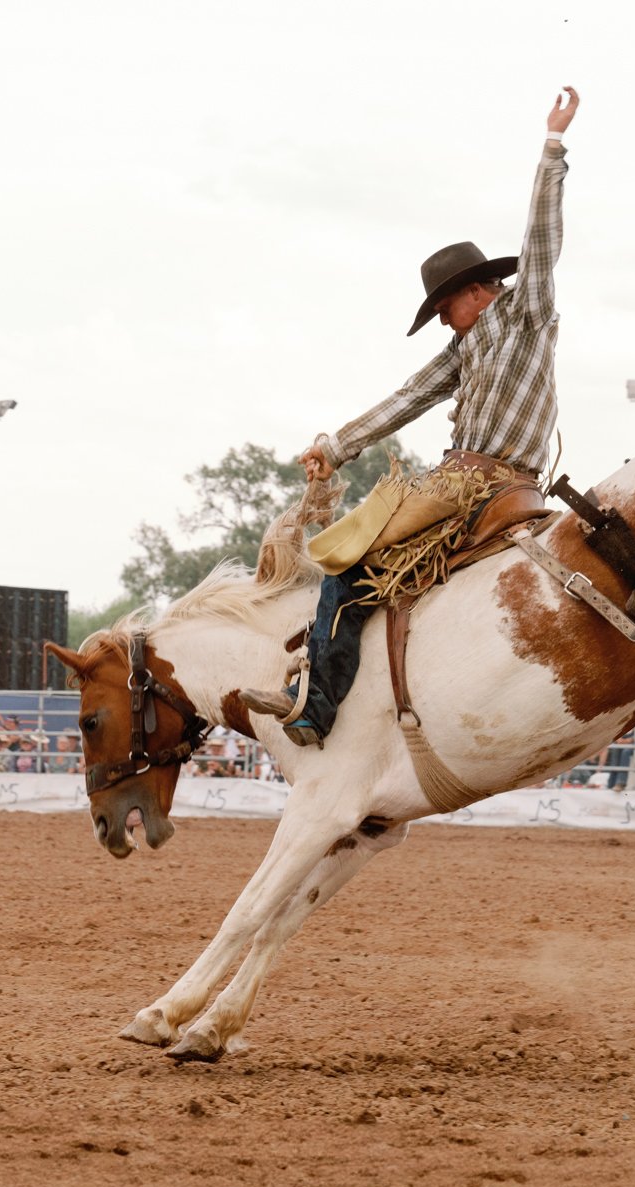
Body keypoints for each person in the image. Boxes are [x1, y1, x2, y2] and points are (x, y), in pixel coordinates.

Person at [241, 88, 584, 746]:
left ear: (473, 293)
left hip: (474, 486)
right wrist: (334, 446)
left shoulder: (525, 312)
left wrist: (552, 147)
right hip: (468, 482)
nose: (444, 319)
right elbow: (409, 395)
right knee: (358, 567)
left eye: (445, 306)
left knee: (345, 568)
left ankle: (315, 705)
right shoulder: (465, 347)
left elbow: (541, 238)